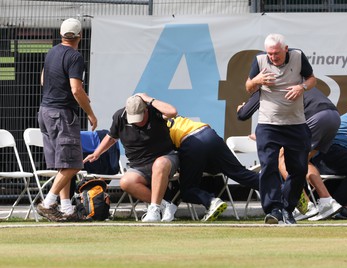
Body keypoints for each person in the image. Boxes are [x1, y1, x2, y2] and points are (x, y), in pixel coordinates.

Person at [237, 87, 342, 221]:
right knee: (302, 161)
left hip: (314, 116)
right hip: (333, 117)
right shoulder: (292, 79)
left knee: (284, 160)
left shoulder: (266, 87)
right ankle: (327, 201)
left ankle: (305, 206)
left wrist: (241, 108)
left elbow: (243, 114)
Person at [245, 33, 317, 224]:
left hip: (296, 124)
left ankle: (287, 209)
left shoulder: (298, 56)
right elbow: (248, 87)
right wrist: (256, 81)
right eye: (270, 53)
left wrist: (302, 87)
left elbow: (311, 79)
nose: (273, 57)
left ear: (286, 49)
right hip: (268, 124)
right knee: (268, 165)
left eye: (276, 53)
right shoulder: (260, 60)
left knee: (299, 169)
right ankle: (273, 210)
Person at [36, 18, 98, 222]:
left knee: (63, 164)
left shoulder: (52, 52)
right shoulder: (75, 56)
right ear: (80, 36)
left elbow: (44, 79)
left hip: (45, 111)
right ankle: (48, 202)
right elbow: (75, 89)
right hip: (62, 114)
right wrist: (90, 113)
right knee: (74, 164)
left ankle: (67, 209)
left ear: (62, 34)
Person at [84, 93, 179, 222]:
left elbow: (173, 112)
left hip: (165, 159)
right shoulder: (120, 116)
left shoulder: (155, 111)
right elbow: (112, 137)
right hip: (138, 165)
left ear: (146, 109)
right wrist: (97, 153)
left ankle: (154, 210)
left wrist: (148, 99)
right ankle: (165, 205)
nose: (137, 121)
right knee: (126, 182)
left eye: (139, 117)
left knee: (160, 163)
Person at [167, 115, 260, 221]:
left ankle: (211, 201)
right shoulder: (172, 117)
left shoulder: (156, 127)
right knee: (240, 173)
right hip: (208, 133)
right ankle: (278, 190)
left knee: (187, 190)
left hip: (191, 143)